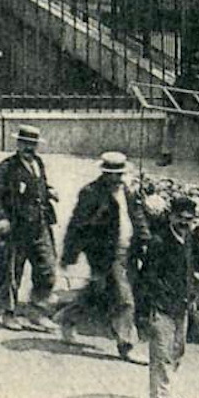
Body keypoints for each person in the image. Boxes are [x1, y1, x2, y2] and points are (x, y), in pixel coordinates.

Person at [57, 152, 149, 364]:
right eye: (112, 174)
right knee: (124, 300)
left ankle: (68, 318)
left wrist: (145, 239)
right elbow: (77, 225)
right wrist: (70, 254)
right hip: (105, 255)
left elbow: (137, 216)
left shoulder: (128, 191)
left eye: (120, 174)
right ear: (104, 173)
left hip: (128, 251)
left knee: (97, 293)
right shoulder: (91, 193)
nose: (117, 179)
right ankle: (127, 346)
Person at [137, 195, 199, 398]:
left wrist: (192, 290)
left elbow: (191, 269)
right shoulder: (159, 242)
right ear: (171, 217)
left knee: (177, 351)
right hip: (163, 306)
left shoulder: (188, 239)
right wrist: (157, 302)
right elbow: (148, 277)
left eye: (189, 219)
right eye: (181, 218)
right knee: (162, 354)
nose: (185, 223)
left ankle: (170, 392)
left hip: (181, 306)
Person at [0, 124, 60, 331]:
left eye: (33, 145)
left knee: (47, 269)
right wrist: (0, 219)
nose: (29, 148)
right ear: (18, 144)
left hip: (40, 225)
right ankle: (8, 313)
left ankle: (37, 312)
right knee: (11, 271)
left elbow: (40, 185)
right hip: (16, 227)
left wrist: (50, 191)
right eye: (25, 144)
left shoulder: (38, 162)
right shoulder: (8, 167)